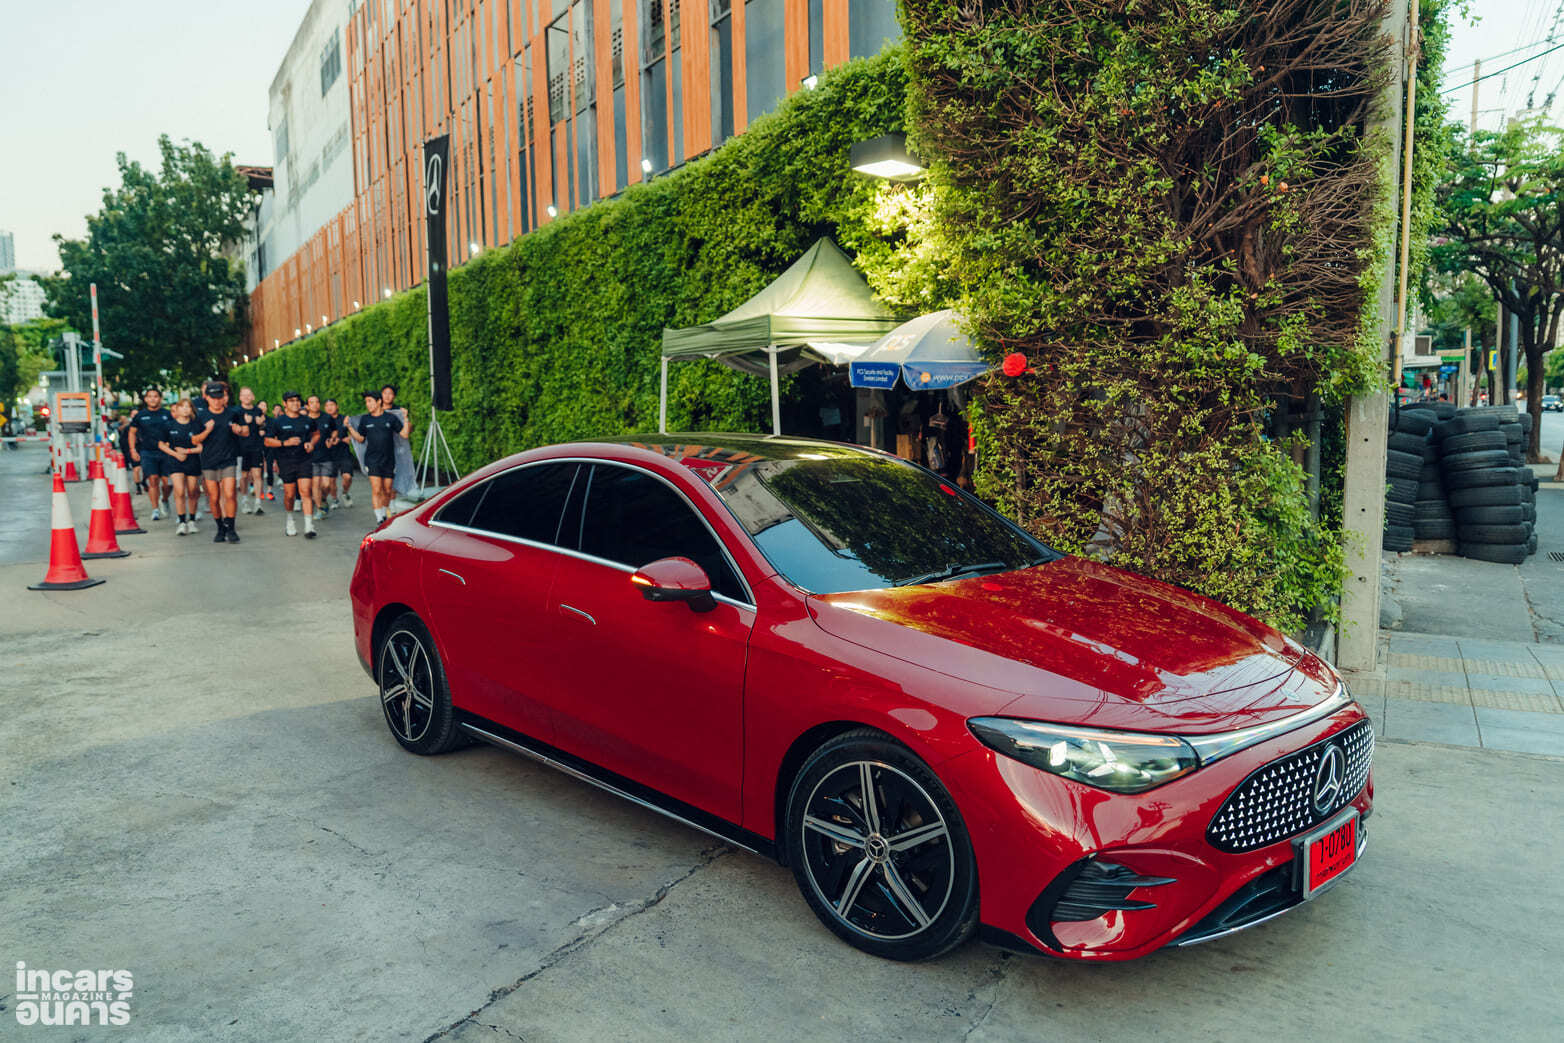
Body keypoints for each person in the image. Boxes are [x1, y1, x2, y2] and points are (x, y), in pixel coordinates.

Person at [193, 380, 249, 544]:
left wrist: (239, 430)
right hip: (209, 461)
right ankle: (220, 528)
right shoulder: (201, 416)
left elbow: (246, 431)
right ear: (207, 398)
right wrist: (207, 430)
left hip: (229, 459)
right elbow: (195, 440)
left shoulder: (233, 413)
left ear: (224, 397)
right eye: (213, 398)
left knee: (230, 493)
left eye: (219, 397)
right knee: (214, 497)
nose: (217, 401)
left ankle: (231, 528)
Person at [348, 389, 409, 523]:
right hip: (372, 460)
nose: (368, 404)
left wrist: (405, 417)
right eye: (366, 402)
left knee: (387, 490)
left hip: (388, 460)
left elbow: (404, 434)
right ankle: (379, 517)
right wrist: (350, 427)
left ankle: (385, 511)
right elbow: (361, 439)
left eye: (370, 401)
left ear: (379, 401)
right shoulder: (365, 419)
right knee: (377, 489)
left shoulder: (390, 418)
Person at [264, 391, 319, 538]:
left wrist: (311, 443)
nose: (295, 403)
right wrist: (285, 443)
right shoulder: (278, 422)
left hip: (304, 459)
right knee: (290, 495)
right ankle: (290, 520)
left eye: (297, 400)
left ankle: (309, 526)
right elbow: (267, 441)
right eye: (291, 401)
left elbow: (316, 434)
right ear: (285, 404)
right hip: (286, 460)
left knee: (306, 491)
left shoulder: (307, 420)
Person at [157, 397, 204, 535]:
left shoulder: (196, 425)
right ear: (176, 409)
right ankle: (182, 521)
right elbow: (161, 445)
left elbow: (201, 447)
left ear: (191, 410)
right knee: (179, 491)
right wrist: (176, 454)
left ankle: (192, 520)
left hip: (192, 461)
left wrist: (187, 451)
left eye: (188, 407)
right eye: (182, 406)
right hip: (175, 462)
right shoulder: (169, 425)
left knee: (192, 491)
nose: (185, 409)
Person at [127, 389, 173, 519]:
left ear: (160, 399)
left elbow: (174, 430)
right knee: (153, 479)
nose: (153, 399)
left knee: (168, 483)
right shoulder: (140, 415)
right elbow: (132, 432)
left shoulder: (167, 414)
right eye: (150, 397)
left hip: (166, 452)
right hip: (147, 452)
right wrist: (133, 449)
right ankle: (155, 509)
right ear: (146, 399)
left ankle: (164, 499)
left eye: (155, 396)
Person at [235, 387, 267, 517]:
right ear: (240, 397)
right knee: (244, 476)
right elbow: (234, 429)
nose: (247, 397)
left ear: (253, 397)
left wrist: (261, 424)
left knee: (257, 475)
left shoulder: (258, 411)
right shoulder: (236, 411)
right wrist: (245, 423)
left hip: (256, 446)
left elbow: (263, 427)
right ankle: (245, 500)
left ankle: (258, 503)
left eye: (249, 395)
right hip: (241, 448)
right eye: (244, 395)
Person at [381, 384, 416, 496]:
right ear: (381, 395)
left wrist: (405, 417)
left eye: (390, 393)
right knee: (380, 484)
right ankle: (384, 505)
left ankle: (391, 504)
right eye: (385, 393)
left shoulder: (399, 411)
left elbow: (409, 430)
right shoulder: (376, 410)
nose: (387, 396)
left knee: (393, 481)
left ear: (394, 396)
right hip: (379, 450)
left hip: (396, 449)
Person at [306, 394, 337, 517]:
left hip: (326, 456)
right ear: (307, 406)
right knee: (315, 484)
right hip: (311, 457)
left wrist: (332, 438)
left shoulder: (327, 418)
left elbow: (334, 430)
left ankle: (323, 498)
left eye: (317, 402)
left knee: (326, 485)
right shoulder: (305, 420)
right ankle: (319, 509)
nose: (315, 405)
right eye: (312, 402)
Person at [322, 398, 355, 507]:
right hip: (329, 454)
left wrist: (349, 438)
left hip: (344, 453)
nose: (329, 407)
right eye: (327, 406)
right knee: (331, 481)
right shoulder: (323, 420)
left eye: (332, 405)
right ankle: (335, 499)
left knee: (347, 477)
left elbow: (356, 433)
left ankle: (345, 493)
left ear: (337, 406)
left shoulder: (345, 419)